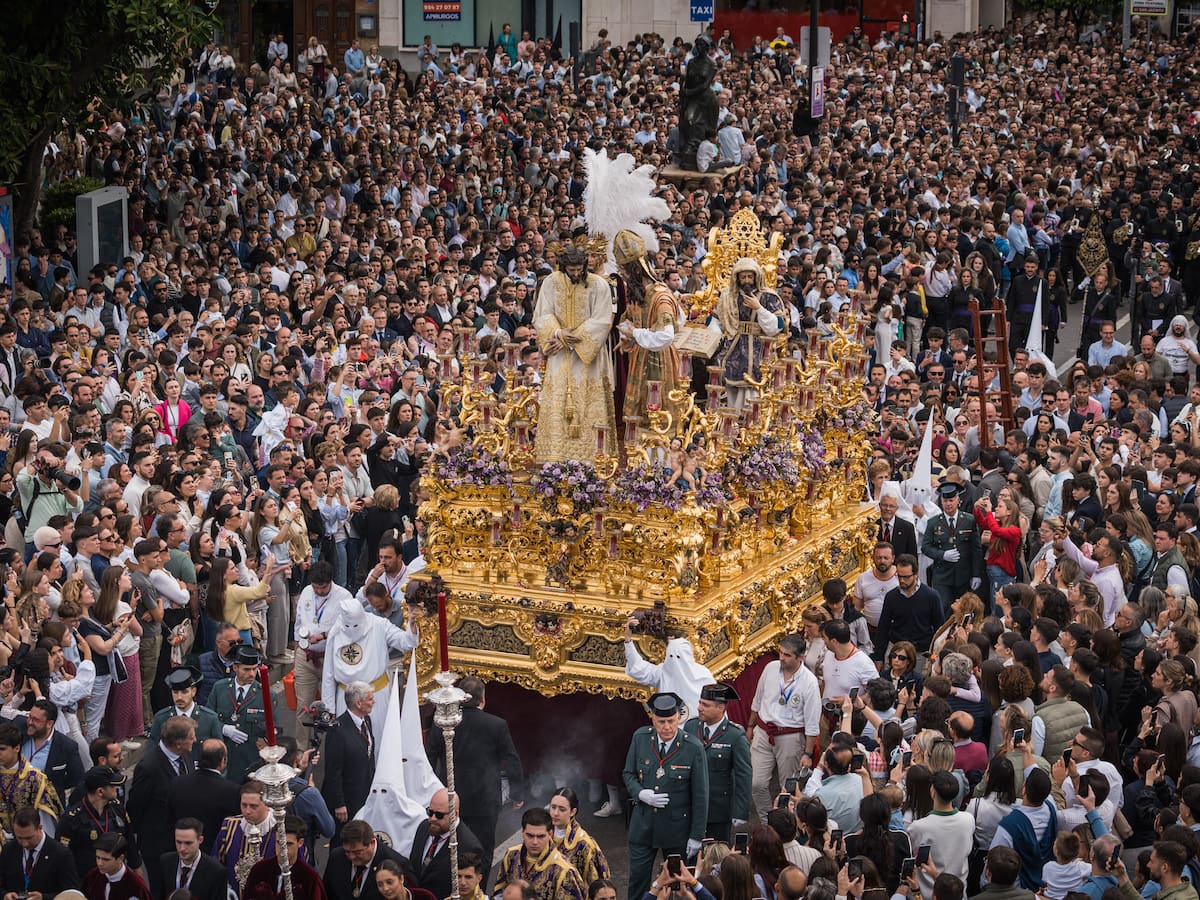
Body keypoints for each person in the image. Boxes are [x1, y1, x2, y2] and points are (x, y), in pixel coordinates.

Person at [424, 676, 523, 876]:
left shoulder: (442, 722)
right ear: (483, 699)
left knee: (449, 849)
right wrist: (517, 794)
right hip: (484, 802)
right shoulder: (496, 725)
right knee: (482, 852)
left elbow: (428, 757)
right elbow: (511, 760)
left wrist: (433, 790)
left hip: (449, 801)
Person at [531, 246, 617, 462]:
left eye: (579, 269)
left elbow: (602, 319)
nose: (576, 273)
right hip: (559, 351)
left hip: (587, 355)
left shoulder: (599, 285)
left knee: (588, 403)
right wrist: (558, 333)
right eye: (572, 269)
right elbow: (542, 312)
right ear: (563, 266)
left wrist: (573, 338)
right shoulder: (551, 281)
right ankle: (554, 455)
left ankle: (592, 455)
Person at [622, 691, 710, 900]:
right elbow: (628, 773)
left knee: (678, 885)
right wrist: (640, 793)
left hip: (676, 829)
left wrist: (696, 835)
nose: (667, 727)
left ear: (679, 717)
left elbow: (701, 795)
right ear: (652, 718)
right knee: (638, 882)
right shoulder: (641, 738)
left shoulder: (692, 747)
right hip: (643, 827)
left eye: (671, 721)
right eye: (661, 722)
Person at [613, 229, 683, 429]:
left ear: (635, 270)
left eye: (624, 271)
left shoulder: (660, 297)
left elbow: (665, 336)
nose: (622, 276)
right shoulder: (638, 293)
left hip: (659, 361)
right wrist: (628, 337)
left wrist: (635, 334)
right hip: (639, 357)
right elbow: (629, 320)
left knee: (658, 416)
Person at [747, 636, 820, 821]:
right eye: (780, 652)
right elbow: (758, 698)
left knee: (787, 788)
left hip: (791, 737)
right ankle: (767, 822)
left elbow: (812, 724)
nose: (781, 657)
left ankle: (787, 825)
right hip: (763, 732)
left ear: (800, 657)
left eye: (787, 655)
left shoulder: (809, 683)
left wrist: (808, 754)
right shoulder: (770, 668)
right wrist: (750, 726)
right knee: (756, 784)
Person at [320, 595, 419, 727]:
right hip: (346, 698)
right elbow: (328, 672)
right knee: (349, 740)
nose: (352, 629)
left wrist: (412, 624)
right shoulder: (336, 631)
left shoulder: (379, 624)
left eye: (356, 625)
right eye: (348, 625)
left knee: (379, 738)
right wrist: (329, 707)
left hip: (375, 695)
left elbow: (406, 642)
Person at [127, 715, 195, 892]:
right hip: (158, 846)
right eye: (191, 737)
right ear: (178, 743)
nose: (195, 740)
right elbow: (135, 806)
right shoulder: (149, 767)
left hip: (183, 841)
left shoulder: (185, 756)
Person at [709, 257, 785, 410]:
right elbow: (714, 320)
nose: (746, 281)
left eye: (750, 276)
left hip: (758, 347)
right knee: (730, 385)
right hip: (732, 344)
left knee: (752, 385)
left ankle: (750, 419)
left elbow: (777, 326)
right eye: (743, 277)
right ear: (736, 278)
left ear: (756, 277)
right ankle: (731, 418)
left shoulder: (768, 296)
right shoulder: (727, 296)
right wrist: (718, 336)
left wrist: (759, 308)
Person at [292, 560, 352, 746]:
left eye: (323, 588)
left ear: (331, 582)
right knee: (303, 706)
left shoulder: (345, 597)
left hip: (331, 658)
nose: (318, 591)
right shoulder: (307, 592)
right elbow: (299, 622)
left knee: (334, 707)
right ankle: (302, 751)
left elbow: (349, 628)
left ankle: (335, 748)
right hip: (306, 656)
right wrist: (297, 651)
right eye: (315, 587)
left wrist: (325, 635)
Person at [683, 682, 751, 840]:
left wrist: (740, 811)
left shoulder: (735, 735)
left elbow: (743, 775)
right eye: (700, 703)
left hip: (718, 810)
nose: (699, 708)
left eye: (705, 705)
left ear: (721, 708)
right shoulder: (691, 727)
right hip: (691, 806)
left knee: (716, 858)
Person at [57, 765, 141, 879]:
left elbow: (130, 845)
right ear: (100, 791)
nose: (116, 788)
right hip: (86, 881)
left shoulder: (117, 809)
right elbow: (63, 858)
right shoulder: (71, 819)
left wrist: (139, 877)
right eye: (112, 785)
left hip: (116, 878)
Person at [205, 643, 270, 782]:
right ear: (235, 668)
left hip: (251, 764)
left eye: (254, 669)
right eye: (246, 669)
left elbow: (272, 730)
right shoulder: (219, 688)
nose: (252, 674)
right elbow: (207, 719)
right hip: (224, 761)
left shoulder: (266, 694)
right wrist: (223, 728)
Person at [491, 807, 587, 900]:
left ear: (550, 834)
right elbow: (500, 891)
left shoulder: (563, 871)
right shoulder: (511, 855)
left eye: (540, 836)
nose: (535, 842)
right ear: (523, 832)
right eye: (530, 836)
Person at [165, 739, 241, 854]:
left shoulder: (178, 783)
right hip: (215, 853)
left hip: (182, 850)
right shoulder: (232, 791)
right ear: (222, 761)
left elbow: (169, 818)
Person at [321, 680, 377, 832]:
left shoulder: (367, 720)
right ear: (359, 703)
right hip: (347, 802)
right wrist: (339, 804)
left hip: (364, 795)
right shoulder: (337, 730)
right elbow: (333, 771)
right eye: (370, 699)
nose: (374, 702)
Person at [907, 771, 974, 897]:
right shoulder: (968, 820)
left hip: (928, 894)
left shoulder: (918, 827)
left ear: (933, 792)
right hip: (958, 894)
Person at [990, 768, 1058, 891]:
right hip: (1046, 883)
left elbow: (994, 861)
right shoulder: (1051, 806)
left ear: (1024, 789)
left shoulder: (1009, 825)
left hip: (1019, 888)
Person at [408, 787, 482, 900]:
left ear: (455, 814)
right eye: (430, 812)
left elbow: (470, 890)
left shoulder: (469, 846)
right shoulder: (424, 827)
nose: (432, 818)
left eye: (439, 815)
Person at [921, 481, 983, 612]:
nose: (948, 504)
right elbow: (925, 547)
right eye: (945, 500)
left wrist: (976, 574)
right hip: (942, 575)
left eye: (951, 500)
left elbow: (976, 549)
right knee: (943, 608)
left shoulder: (969, 520)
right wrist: (942, 555)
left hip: (963, 575)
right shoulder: (933, 522)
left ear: (958, 500)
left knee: (964, 610)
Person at [213, 780, 278, 894]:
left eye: (253, 806)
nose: (247, 811)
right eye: (244, 805)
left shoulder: (281, 831)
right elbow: (216, 863)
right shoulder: (229, 826)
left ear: (267, 804)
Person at [0, 721, 63, 838]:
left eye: (2, 749)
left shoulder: (35, 779)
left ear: (17, 748)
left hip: (26, 842)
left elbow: (46, 822)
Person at [0, 805, 80, 897]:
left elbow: (72, 894)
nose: (24, 843)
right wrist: (5, 895)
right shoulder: (8, 850)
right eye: (19, 838)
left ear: (40, 828)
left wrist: (44, 898)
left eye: (29, 838)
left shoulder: (61, 854)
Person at [148, 666, 223, 761]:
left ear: (193, 691)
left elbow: (219, 754)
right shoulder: (161, 718)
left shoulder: (210, 719)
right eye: (175, 692)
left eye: (184, 692)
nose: (179, 697)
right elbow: (152, 751)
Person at [322, 818, 410, 900]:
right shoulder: (337, 857)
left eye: (358, 852)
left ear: (371, 843)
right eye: (347, 851)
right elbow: (326, 893)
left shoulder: (397, 864)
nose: (351, 857)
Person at [244, 815, 328, 900]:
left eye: (289, 844)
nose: (283, 850)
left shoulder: (310, 879)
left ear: (300, 843)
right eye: (279, 843)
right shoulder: (259, 870)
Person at [547, 787, 610, 886]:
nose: (555, 813)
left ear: (573, 812)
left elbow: (592, 881)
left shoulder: (582, 843)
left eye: (562, 809)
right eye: (553, 807)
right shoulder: (542, 834)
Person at [156, 818, 228, 900]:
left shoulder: (216, 871)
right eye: (178, 842)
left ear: (200, 840)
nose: (182, 848)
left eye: (188, 843)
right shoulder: (166, 861)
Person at [81, 832, 152, 900]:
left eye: (106, 859)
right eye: (98, 857)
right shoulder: (92, 877)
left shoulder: (136, 886)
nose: (100, 863)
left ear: (120, 858)